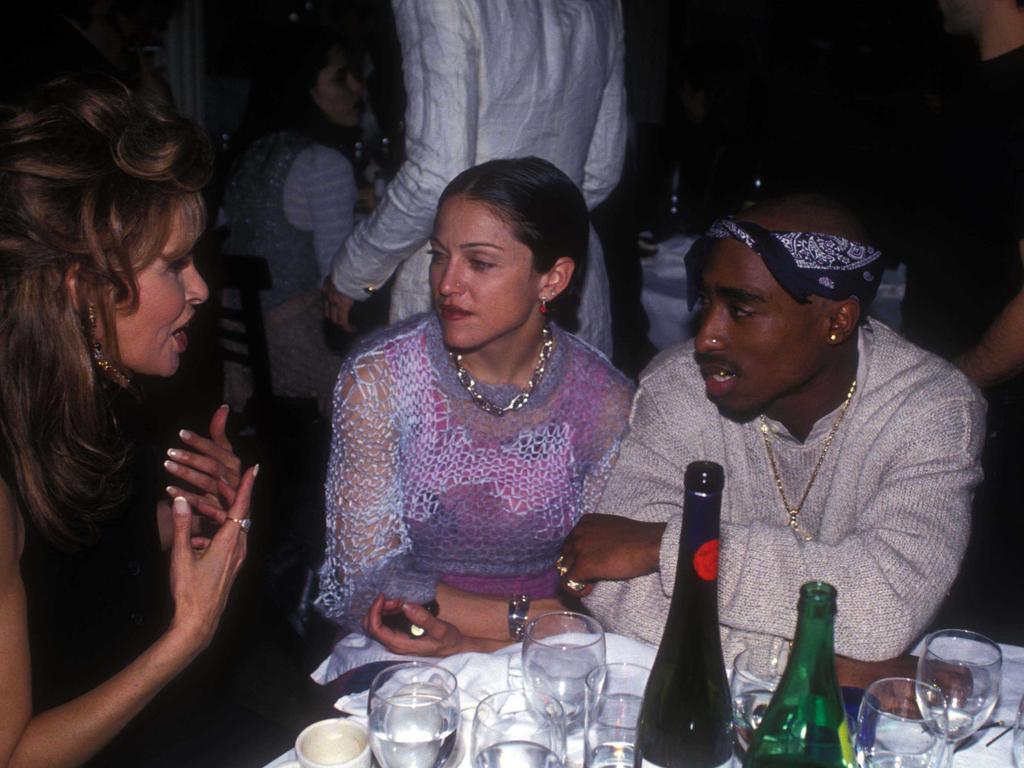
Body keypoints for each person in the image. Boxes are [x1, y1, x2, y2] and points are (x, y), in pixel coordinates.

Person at [556, 194, 987, 666]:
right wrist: (820, 669)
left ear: (837, 320)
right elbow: (617, 591)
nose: (706, 337)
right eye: (706, 302)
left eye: (742, 309)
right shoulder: (679, 387)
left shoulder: (932, 408)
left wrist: (668, 546)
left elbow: (884, 605)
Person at [0, 75, 258, 766]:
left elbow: (86, 603)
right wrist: (188, 635)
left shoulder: (98, 390)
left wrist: (186, 529)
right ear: (83, 289)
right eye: (175, 265)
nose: (200, 288)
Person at [316, 158, 633, 663]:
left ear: (552, 279)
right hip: (407, 637)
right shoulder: (382, 378)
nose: (446, 284)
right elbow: (366, 576)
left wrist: (521, 629)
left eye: (479, 263)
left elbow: (605, 575)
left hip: (552, 648)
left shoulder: (603, 401)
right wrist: (526, 616)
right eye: (439, 256)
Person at [322, 0, 626, 357]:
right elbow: (602, 170)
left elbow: (437, 175)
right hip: (565, 277)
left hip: (467, 282)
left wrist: (353, 272)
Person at [221, 29, 363, 414]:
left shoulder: (250, 154)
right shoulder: (323, 164)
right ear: (308, 91)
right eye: (340, 77)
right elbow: (338, 278)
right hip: (298, 353)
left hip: (242, 354)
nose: (356, 87)